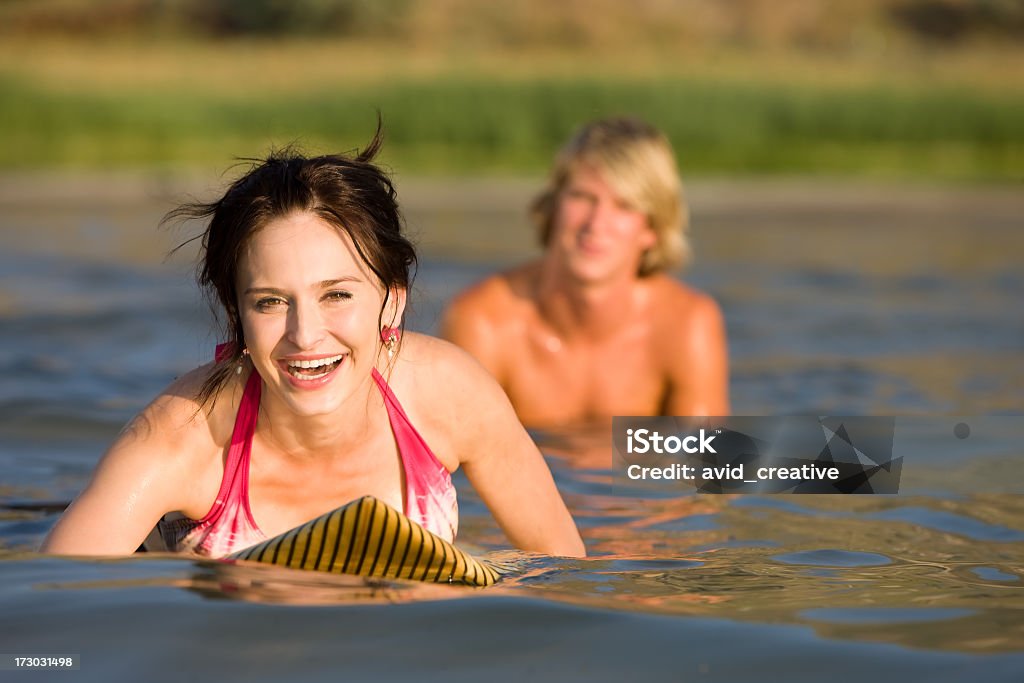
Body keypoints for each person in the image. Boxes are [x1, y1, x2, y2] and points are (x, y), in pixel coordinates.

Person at [41, 130, 585, 559]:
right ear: (236, 315)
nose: (305, 336)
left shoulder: (450, 396)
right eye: (270, 302)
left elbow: (568, 575)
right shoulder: (179, 442)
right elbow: (46, 626)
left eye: (337, 295)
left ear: (391, 301)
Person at [441, 117, 729, 429]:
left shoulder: (686, 325)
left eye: (625, 206)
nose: (596, 223)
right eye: (582, 197)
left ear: (652, 229)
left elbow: (706, 467)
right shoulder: (484, 322)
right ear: (554, 205)